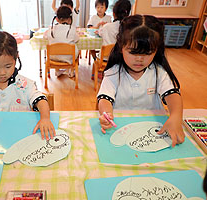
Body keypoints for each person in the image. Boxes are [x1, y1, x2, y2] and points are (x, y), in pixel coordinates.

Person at [97, 15, 184, 147]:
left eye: (147, 53)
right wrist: (107, 114)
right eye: (133, 52)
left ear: (156, 50)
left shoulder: (159, 72)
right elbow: (104, 99)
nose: (139, 59)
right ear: (121, 47)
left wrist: (176, 116)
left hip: (153, 130)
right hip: (121, 129)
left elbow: (172, 95)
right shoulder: (113, 73)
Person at [44, 6, 79, 77]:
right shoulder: (72, 29)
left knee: (54, 45)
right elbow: (77, 39)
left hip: (53, 57)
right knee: (75, 48)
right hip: (69, 58)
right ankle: (71, 71)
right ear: (70, 19)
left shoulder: (51, 29)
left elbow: (45, 37)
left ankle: (59, 71)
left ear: (56, 19)